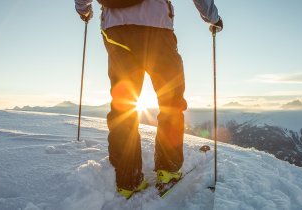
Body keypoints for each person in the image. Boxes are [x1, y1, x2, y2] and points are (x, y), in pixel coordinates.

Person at [74, 0, 223, 199]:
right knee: (170, 101)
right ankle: (168, 170)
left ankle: (128, 180)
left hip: (116, 29)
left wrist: (83, 9)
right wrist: (213, 18)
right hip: (157, 27)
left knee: (124, 103)